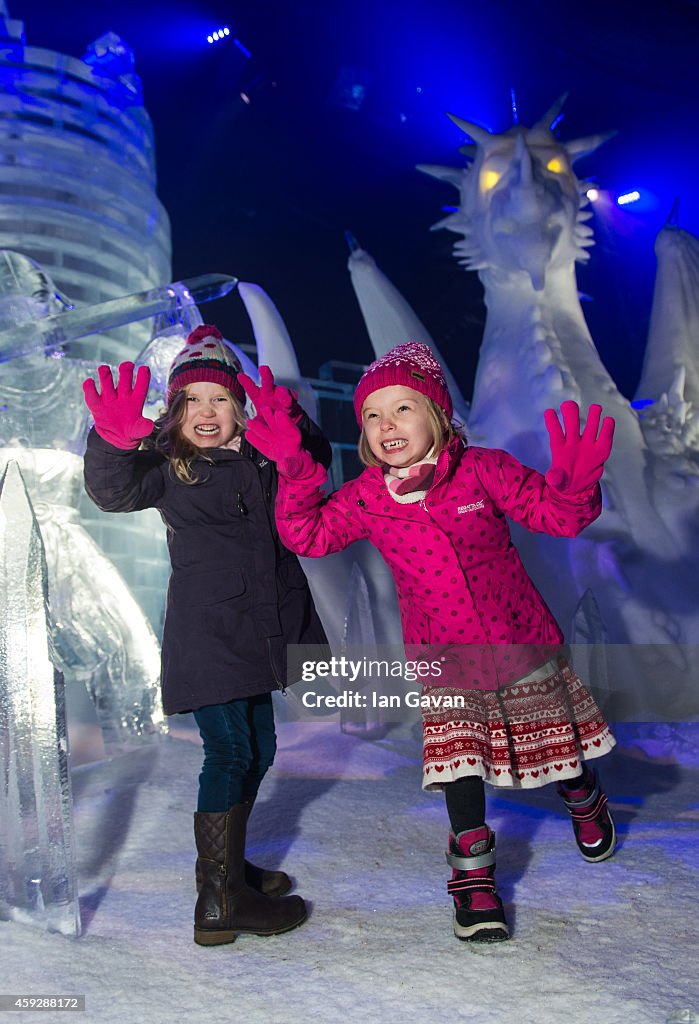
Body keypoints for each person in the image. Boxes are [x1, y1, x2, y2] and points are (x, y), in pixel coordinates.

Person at [241, 341, 618, 944]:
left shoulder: (484, 470)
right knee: (460, 766)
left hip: (519, 641)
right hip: (443, 658)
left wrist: (573, 487)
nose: (388, 425)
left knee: (555, 749)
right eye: (373, 415)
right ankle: (474, 878)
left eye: (403, 408)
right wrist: (295, 473)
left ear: (437, 414)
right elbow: (308, 535)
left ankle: (583, 796)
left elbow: (556, 516)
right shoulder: (368, 496)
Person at [82, 325, 331, 947]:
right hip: (210, 630)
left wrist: (293, 423)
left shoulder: (265, 455)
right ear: (174, 411)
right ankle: (218, 900)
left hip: (266, 626)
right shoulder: (168, 468)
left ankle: (230, 864)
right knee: (228, 751)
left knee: (261, 746)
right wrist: (111, 441)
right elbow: (112, 491)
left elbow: (317, 463)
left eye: (218, 398)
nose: (206, 412)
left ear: (241, 406)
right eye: (190, 400)